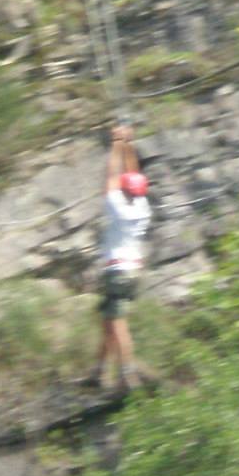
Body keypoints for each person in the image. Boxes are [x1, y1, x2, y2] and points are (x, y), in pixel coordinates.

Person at [92, 126, 151, 391]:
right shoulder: (143, 206)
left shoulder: (117, 206)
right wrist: (129, 144)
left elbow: (112, 176)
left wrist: (116, 144)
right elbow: (133, 174)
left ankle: (129, 374)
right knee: (108, 321)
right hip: (134, 271)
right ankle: (99, 371)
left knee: (118, 324)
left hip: (117, 269)